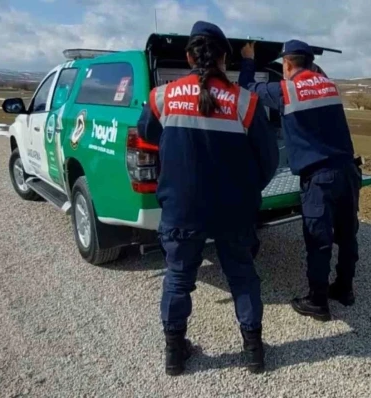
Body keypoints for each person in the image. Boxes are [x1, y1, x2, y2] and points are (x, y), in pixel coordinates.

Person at [137, 21, 279, 376]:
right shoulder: (247, 102)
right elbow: (269, 160)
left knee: (178, 278)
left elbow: (147, 135)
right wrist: (250, 190)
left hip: (182, 208)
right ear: (225, 59)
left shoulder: (161, 96)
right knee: (243, 276)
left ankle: (174, 354)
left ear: (189, 57)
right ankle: (253, 352)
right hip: (234, 208)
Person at [238, 40, 361, 322]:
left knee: (319, 240)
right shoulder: (329, 85)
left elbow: (247, 87)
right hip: (348, 171)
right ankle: (345, 289)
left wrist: (247, 59)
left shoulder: (286, 90)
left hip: (320, 179)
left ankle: (317, 302)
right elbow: (314, 73)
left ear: (288, 65)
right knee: (347, 234)